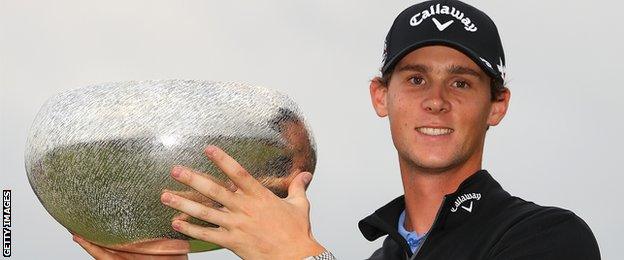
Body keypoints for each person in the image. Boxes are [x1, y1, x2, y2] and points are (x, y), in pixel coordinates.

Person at [73, 0, 601, 259]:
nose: (436, 101)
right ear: (380, 96)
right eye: (415, 79)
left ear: (497, 106)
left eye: (461, 84)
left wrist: (297, 255)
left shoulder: (548, 237)